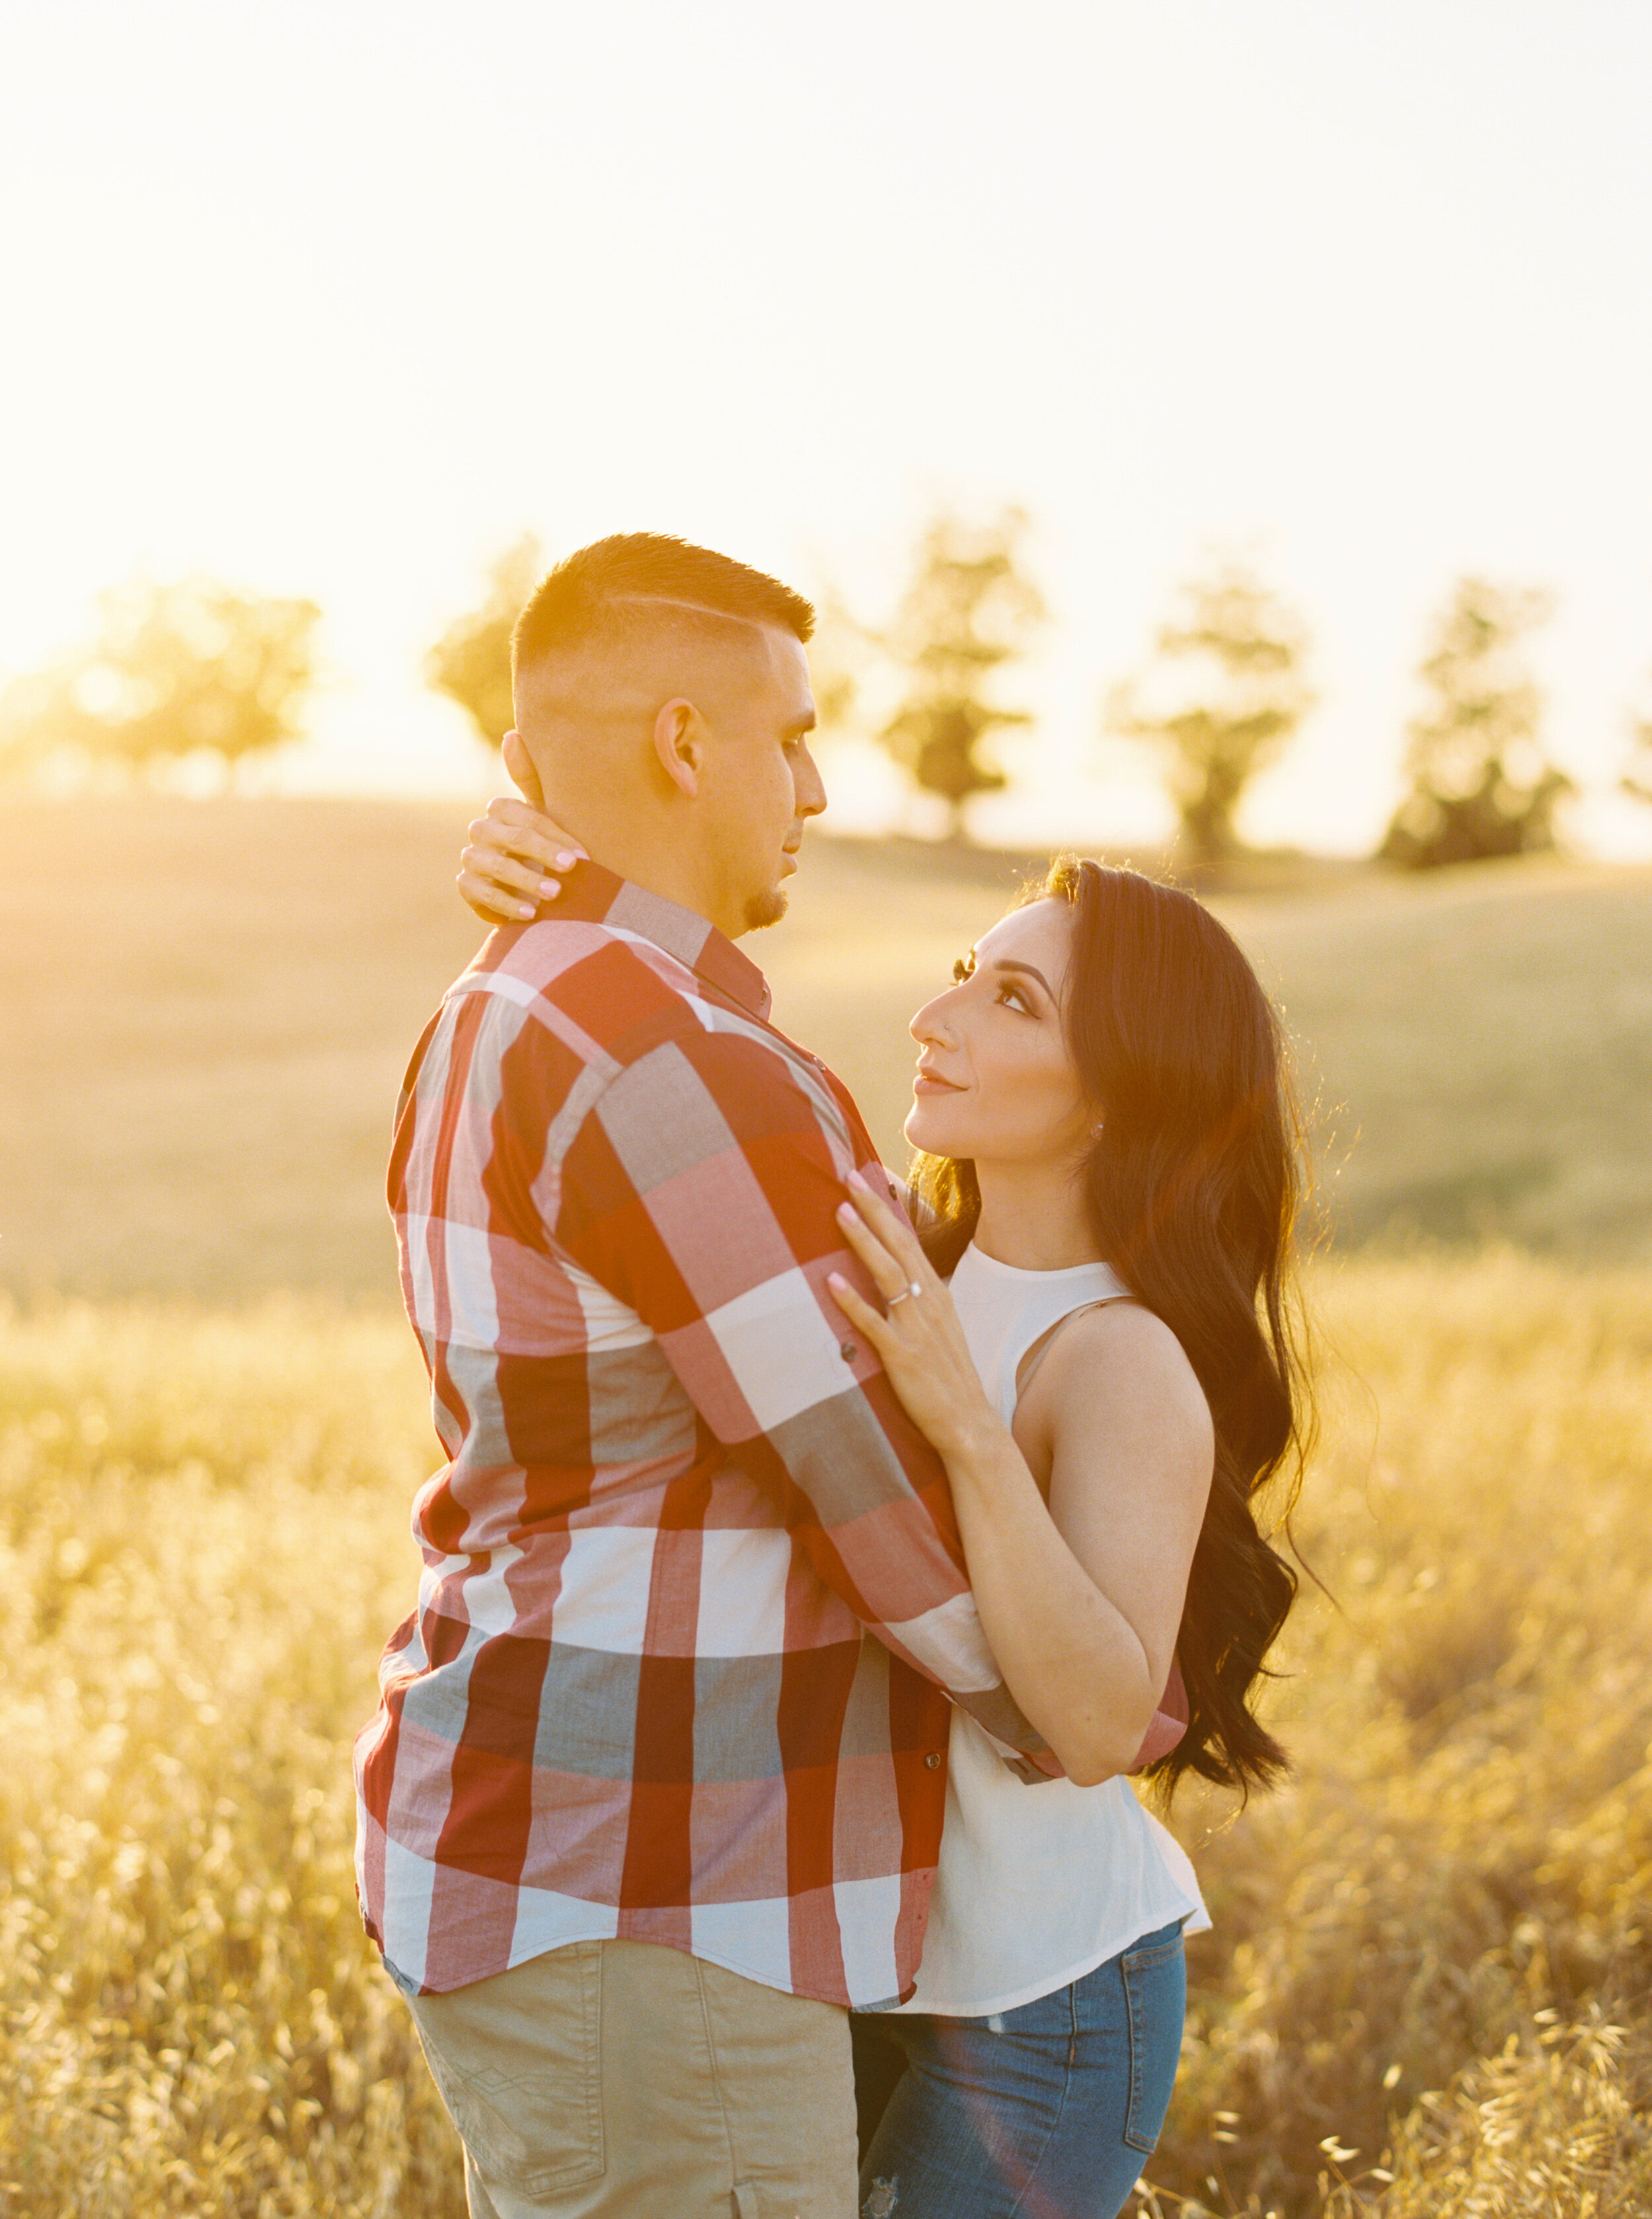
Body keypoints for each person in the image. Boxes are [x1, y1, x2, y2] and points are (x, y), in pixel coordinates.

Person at [357, 532, 1076, 2219]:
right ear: (686, 742)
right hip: (656, 1888)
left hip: (584, 1867)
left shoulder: (505, 999)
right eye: (795, 735)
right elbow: (862, 1474)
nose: (818, 787)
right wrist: (1090, 1705)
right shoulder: (657, 1043)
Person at [461, 802, 1311, 2214]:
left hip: (1045, 2011)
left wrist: (970, 1430)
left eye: (1010, 999)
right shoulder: (894, 1248)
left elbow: (1098, 1723)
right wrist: (532, 887)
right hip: (859, 1961)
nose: (938, 1014)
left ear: (1114, 1091)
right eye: (964, 965)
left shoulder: (1117, 1358)